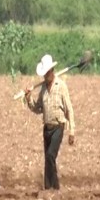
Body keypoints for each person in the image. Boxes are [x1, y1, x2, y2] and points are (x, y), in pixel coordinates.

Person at [24, 54, 76, 191]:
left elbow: (69, 109)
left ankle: (56, 186)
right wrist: (29, 99)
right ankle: (48, 188)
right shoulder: (43, 90)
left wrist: (72, 131)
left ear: (52, 71)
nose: (45, 76)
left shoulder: (61, 86)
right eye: (44, 74)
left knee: (50, 155)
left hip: (58, 126)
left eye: (47, 73)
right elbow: (37, 108)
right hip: (47, 128)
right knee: (47, 160)